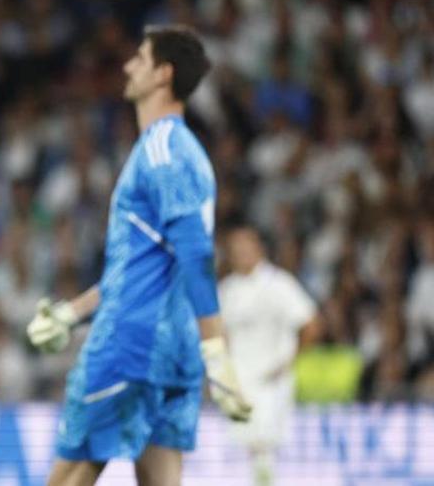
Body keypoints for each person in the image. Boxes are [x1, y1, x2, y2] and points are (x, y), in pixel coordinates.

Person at [26, 25, 252, 486]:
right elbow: (148, 264)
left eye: (140, 59)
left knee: (69, 475)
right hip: (174, 352)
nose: (128, 66)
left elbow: (195, 254)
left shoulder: (161, 149)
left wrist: (218, 349)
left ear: (163, 75)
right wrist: (72, 313)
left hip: (132, 345)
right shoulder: (189, 152)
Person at [218, 226, 314, 486]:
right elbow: (219, 335)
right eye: (235, 249)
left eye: (246, 247)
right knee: (242, 447)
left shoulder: (279, 283)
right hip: (236, 381)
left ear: (259, 248)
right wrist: (220, 379)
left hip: (271, 381)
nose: (242, 253)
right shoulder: (227, 289)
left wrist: (288, 362)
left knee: (266, 447)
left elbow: (311, 323)